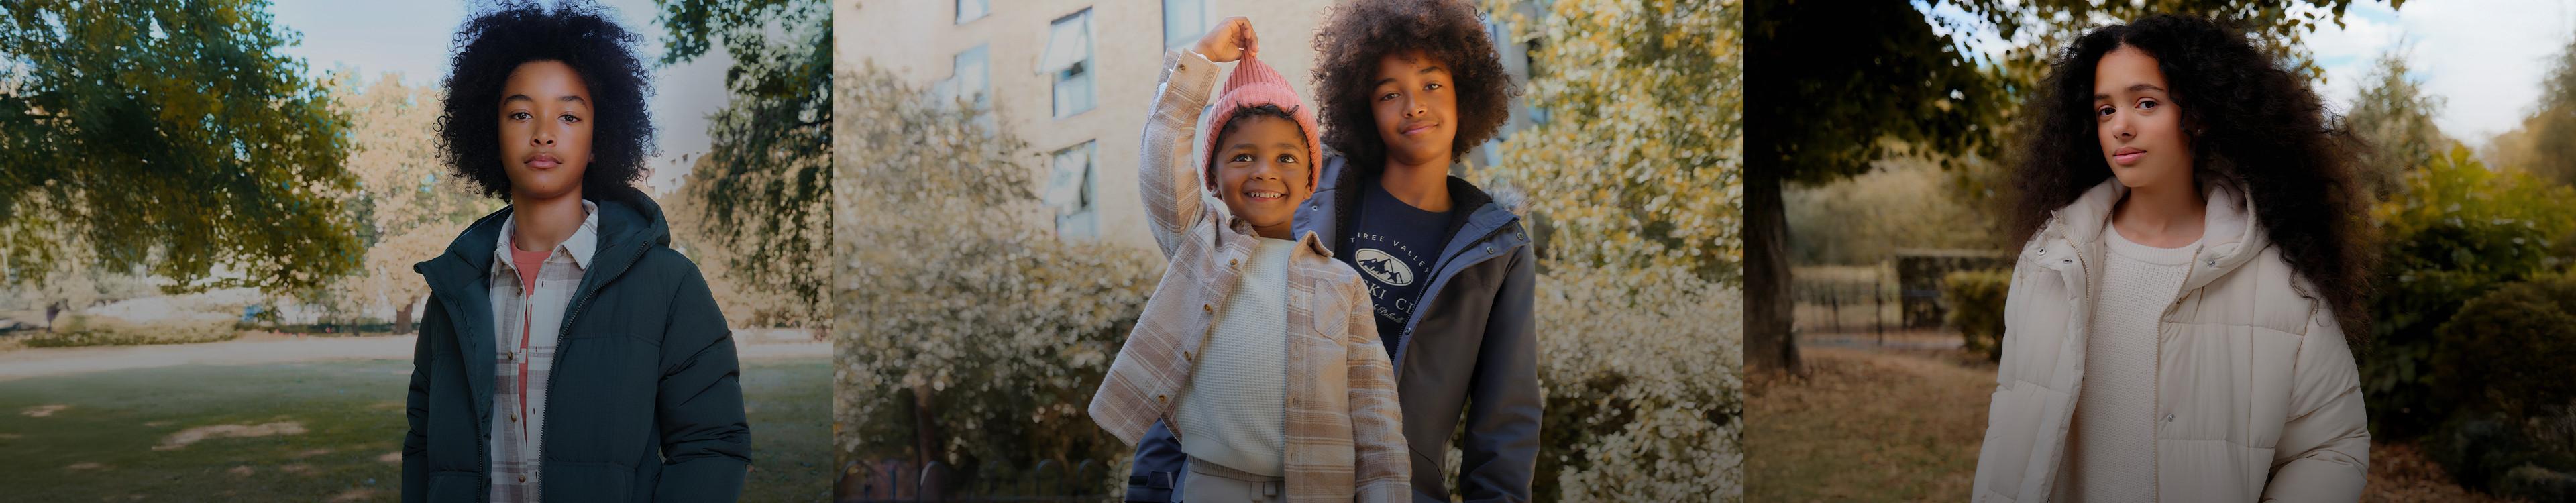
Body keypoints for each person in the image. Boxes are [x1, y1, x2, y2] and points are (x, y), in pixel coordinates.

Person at [1127, 1, 1542, 501]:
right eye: (1390, 93)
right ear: (1364, 105)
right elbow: (1208, 321)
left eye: (1433, 84)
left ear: (1466, 93)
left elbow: (1506, 419)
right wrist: (1155, 483)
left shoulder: (1497, 248)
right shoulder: (1302, 186)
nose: (1414, 105)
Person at [1971, 13, 2374, 502]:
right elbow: (2011, 425)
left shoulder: (2280, 283)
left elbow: (2331, 447)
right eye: (2104, 110)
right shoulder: (2049, 263)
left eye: (2146, 103)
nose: (2121, 126)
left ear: (2198, 117)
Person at [404, 4, 749, 502]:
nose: (543, 132)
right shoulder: (453, 294)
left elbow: (713, 444)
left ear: (597, 140)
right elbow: (423, 448)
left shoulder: (670, 286)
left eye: (569, 115)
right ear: (491, 133)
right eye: (521, 113)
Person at [1091, 17, 1410, 503]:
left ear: (1309, 180)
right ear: (1212, 179)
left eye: (1286, 157)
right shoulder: (1200, 246)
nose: (1265, 171)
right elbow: (1161, 155)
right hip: (1209, 487)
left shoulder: (1342, 283)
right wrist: (1201, 58)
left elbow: (1376, 422)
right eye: (1242, 157)